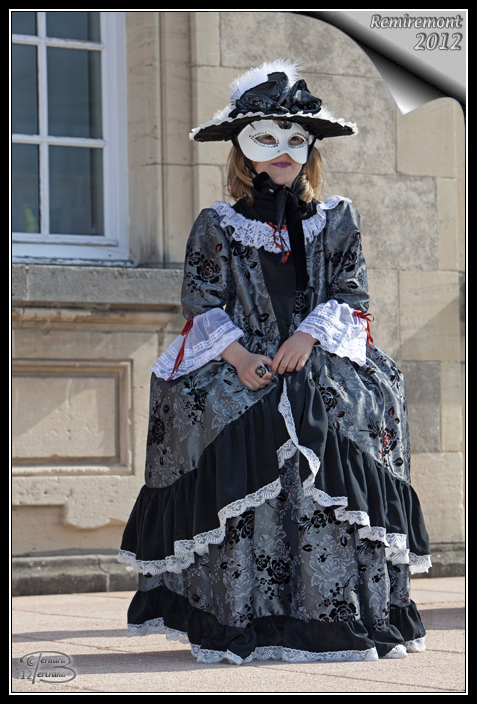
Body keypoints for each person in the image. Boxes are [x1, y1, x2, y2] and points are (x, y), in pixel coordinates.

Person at [119, 59, 432, 664]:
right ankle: (243, 612)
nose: (283, 150)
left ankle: (333, 613)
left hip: (318, 353)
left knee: (351, 410)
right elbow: (201, 301)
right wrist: (238, 357)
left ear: (311, 147)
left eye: (295, 138)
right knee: (214, 410)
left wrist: (307, 338)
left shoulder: (338, 218)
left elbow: (352, 294)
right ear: (243, 149)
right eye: (266, 137)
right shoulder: (216, 224)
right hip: (241, 354)